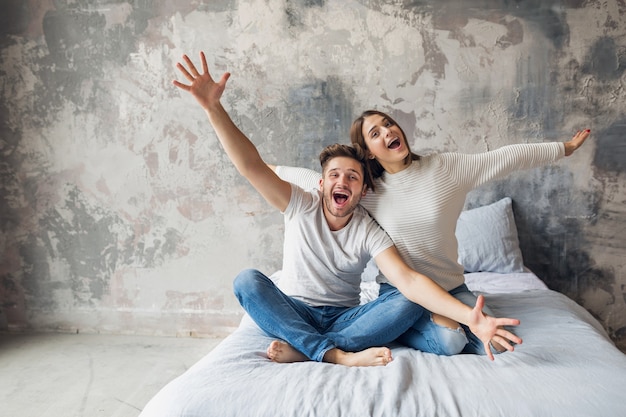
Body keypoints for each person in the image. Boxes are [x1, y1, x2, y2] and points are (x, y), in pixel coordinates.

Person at [173, 51, 522, 367]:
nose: (343, 181)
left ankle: (309, 348)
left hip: (346, 319)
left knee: (410, 297)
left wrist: (470, 317)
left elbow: (409, 280)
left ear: (363, 188)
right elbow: (251, 165)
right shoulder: (299, 203)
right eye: (335, 175)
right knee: (247, 281)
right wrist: (213, 108)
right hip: (294, 310)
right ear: (321, 184)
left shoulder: (368, 227)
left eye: (353, 177)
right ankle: (337, 355)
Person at [274, 109, 590, 356]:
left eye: (388, 124)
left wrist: (564, 148)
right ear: (368, 152)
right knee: (452, 341)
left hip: (452, 288)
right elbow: (307, 178)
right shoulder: (369, 190)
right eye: (375, 132)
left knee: (496, 342)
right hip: (401, 296)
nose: (387, 131)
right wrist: (261, 169)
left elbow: (504, 158)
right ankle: (351, 340)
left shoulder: (446, 169)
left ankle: (420, 326)